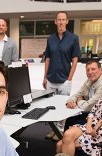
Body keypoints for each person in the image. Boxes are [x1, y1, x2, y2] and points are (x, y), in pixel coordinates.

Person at [43, 11, 81, 139]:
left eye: (63, 19)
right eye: (59, 19)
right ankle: (53, 129)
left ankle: (59, 130)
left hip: (64, 79)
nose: (61, 22)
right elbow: (47, 58)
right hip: (51, 79)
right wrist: (44, 77)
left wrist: (69, 79)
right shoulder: (50, 39)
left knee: (63, 106)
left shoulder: (73, 38)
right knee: (51, 106)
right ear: (55, 21)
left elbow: (75, 60)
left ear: (67, 21)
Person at [64, 60, 102, 130]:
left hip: (98, 118)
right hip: (89, 114)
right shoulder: (89, 81)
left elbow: (88, 106)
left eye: (93, 69)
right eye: (88, 70)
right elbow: (78, 94)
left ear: (100, 70)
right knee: (69, 120)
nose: (90, 72)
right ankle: (65, 139)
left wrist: (78, 101)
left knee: (72, 122)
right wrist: (70, 101)